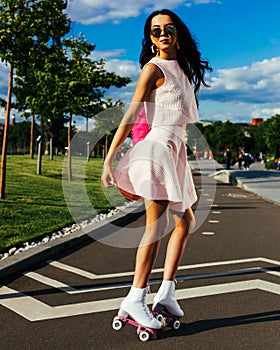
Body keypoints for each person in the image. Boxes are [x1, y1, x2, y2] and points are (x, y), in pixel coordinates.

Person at [102, 9, 212, 330]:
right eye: (155, 31)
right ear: (150, 39)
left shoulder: (182, 70)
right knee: (157, 224)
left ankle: (166, 292)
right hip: (158, 149)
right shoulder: (153, 69)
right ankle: (135, 297)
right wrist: (110, 159)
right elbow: (130, 115)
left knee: (185, 221)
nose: (162, 34)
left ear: (178, 33)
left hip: (176, 151)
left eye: (168, 28)